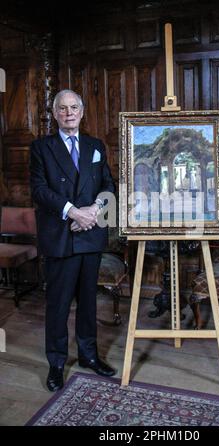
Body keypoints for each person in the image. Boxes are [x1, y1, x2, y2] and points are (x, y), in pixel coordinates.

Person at [30, 89, 116, 392]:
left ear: (82, 111)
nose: (69, 113)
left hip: (90, 232)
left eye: (74, 107)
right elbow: (39, 190)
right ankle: (55, 363)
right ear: (55, 114)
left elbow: (108, 185)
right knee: (58, 304)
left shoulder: (95, 145)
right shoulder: (41, 147)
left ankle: (89, 356)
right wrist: (73, 213)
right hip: (61, 235)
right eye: (63, 108)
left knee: (89, 302)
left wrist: (93, 211)